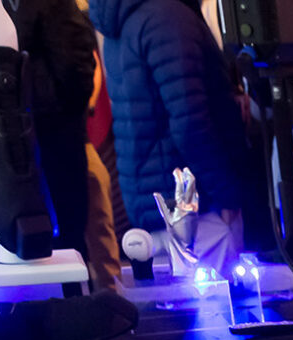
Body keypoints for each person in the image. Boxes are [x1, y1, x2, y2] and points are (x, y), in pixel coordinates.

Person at [89, 0, 253, 269]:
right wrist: (227, 195)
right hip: (194, 206)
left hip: (160, 202)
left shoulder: (130, 15)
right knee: (218, 294)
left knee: (183, 295)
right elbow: (190, 123)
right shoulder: (168, 18)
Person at [0, 0, 100, 263]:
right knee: (59, 238)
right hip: (46, 127)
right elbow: (75, 56)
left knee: (26, 236)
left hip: (12, 126)